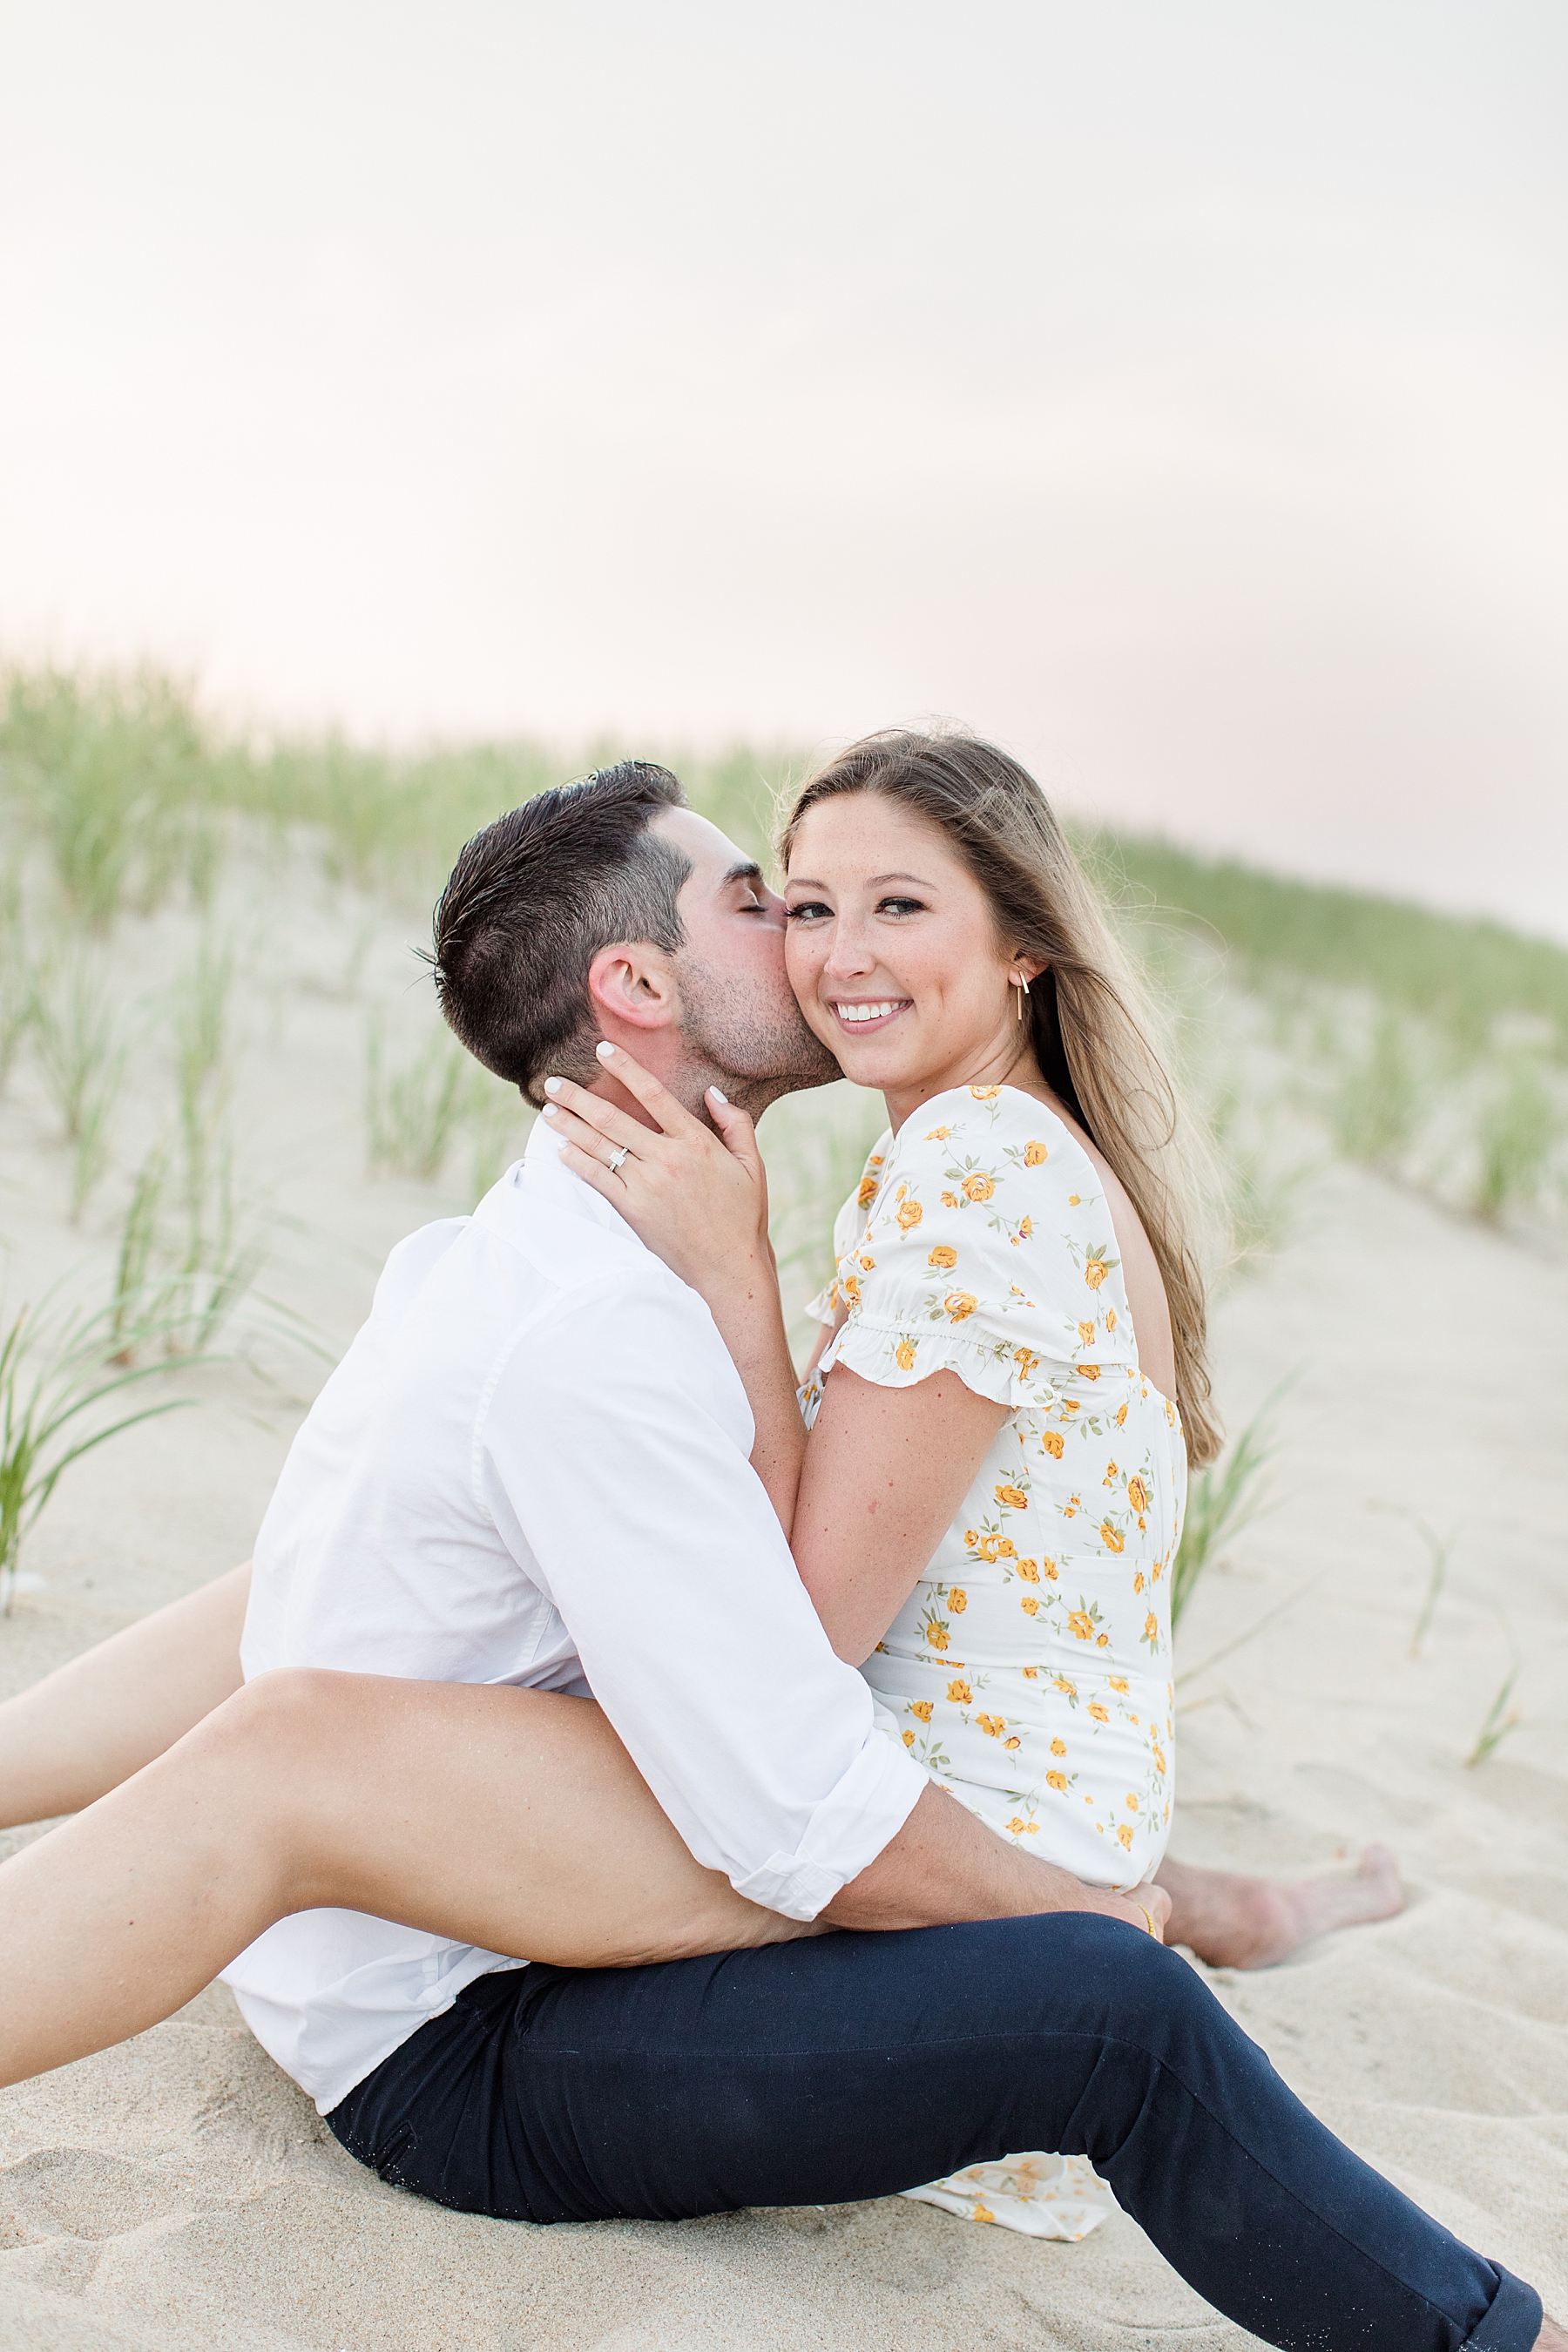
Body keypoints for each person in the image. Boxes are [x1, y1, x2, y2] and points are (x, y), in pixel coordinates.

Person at [0, 751, 1551, 2351]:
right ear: (636, 982)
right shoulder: (595, 1328)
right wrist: (1098, 1913)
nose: (820, 945)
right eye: (774, 903)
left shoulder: (551, 1261)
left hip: (475, 1951)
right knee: (1117, 2008)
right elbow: (796, 1798)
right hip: (475, 2041)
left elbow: (315, 1592)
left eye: (860, 904)